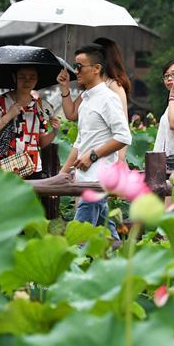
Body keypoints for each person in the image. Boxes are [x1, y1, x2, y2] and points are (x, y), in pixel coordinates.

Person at [59, 44, 132, 241]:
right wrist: (63, 173)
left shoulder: (108, 98)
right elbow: (81, 140)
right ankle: (119, 255)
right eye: (74, 66)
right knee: (107, 236)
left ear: (97, 68)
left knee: (78, 239)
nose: (75, 71)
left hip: (96, 179)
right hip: (85, 178)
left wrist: (92, 156)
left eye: (79, 66)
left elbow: (124, 136)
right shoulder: (86, 99)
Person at [57, 37, 130, 160]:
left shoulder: (113, 87)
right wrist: (65, 88)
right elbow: (71, 114)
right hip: (88, 160)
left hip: (107, 161)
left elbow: (122, 131)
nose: (76, 71)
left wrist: (119, 161)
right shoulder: (90, 90)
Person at [0, 66, 60, 179]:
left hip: (33, 168)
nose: (27, 81)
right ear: (14, 78)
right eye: (22, 77)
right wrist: (9, 115)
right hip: (5, 167)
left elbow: (40, 142)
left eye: (32, 77)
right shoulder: (2, 101)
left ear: (37, 80)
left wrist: (54, 131)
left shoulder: (40, 106)